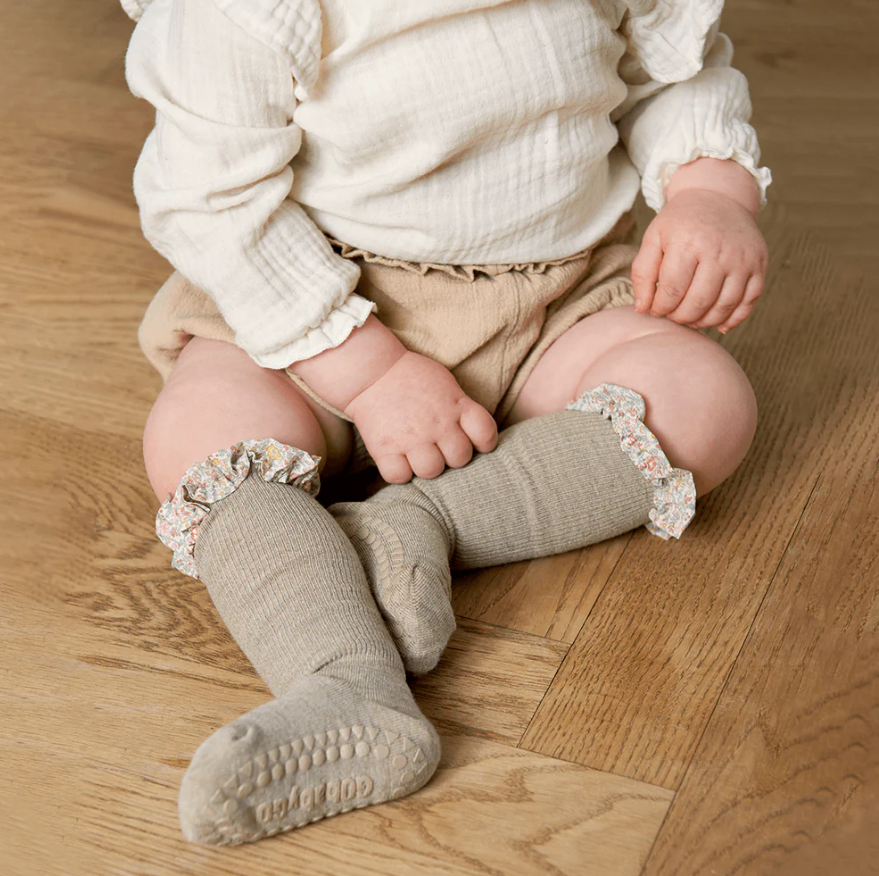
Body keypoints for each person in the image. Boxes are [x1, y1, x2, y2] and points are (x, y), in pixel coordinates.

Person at [120, 0, 771, 846]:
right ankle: (344, 682)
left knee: (701, 402)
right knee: (201, 433)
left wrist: (709, 191)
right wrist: (368, 371)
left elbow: (670, 70)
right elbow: (212, 204)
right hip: (316, 304)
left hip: (557, 294)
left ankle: (417, 523)